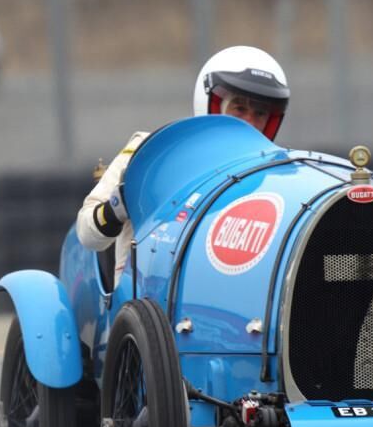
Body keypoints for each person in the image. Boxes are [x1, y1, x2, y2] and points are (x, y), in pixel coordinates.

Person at [76, 45, 290, 284]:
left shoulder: (275, 177)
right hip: (144, 300)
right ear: (211, 103)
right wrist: (119, 205)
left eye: (260, 114)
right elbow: (86, 234)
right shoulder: (149, 154)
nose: (249, 122)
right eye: (239, 108)